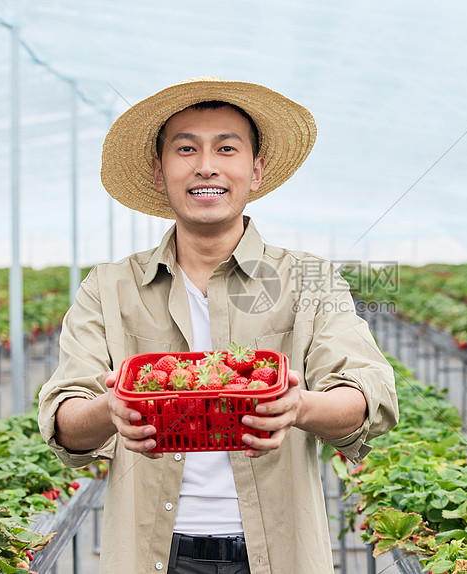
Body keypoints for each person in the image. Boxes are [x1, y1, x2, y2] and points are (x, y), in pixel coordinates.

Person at [37, 76, 398, 574]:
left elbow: (369, 393)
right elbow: (64, 419)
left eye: (226, 148)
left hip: (279, 554)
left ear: (255, 169)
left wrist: (299, 405)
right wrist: (110, 408)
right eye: (185, 148)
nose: (205, 165)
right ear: (159, 172)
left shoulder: (309, 279)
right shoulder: (108, 287)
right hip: (151, 555)